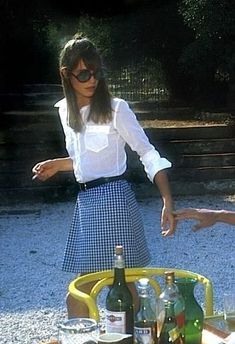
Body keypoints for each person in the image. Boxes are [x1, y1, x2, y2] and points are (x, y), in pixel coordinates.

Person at [32, 36, 176, 318]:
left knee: (124, 282)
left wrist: (167, 200)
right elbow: (87, 160)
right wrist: (57, 165)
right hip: (86, 203)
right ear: (66, 74)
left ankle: (136, 343)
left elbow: (147, 152)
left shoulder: (116, 108)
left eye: (96, 71)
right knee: (83, 287)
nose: (91, 79)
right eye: (84, 73)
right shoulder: (64, 111)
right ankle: (80, 343)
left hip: (114, 199)